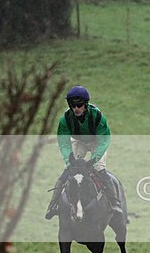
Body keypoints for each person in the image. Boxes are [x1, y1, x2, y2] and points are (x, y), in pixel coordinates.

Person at [45, 85, 120, 219]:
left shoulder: (98, 116)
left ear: (85, 104)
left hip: (97, 142)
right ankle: (53, 205)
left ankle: (115, 204)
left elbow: (104, 141)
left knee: (100, 169)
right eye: (73, 106)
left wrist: (94, 160)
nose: (76, 109)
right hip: (79, 141)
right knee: (68, 171)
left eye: (79, 105)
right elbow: (64, 143)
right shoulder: (65, 119)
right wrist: (69, 162)